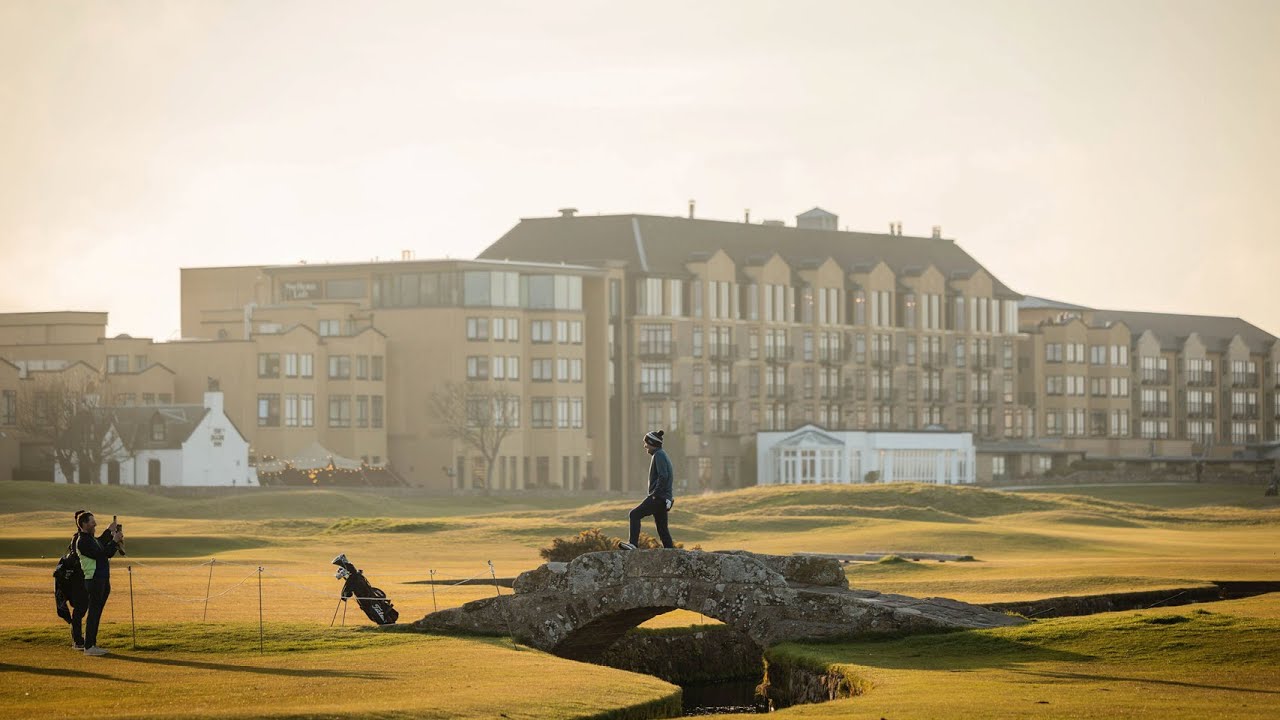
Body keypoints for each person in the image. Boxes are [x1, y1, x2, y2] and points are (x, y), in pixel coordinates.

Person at [74, 510, 122, 656]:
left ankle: (92, 644)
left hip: (101, 579)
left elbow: (101, 543)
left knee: (96, 612)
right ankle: (89, 646)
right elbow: (102, 553)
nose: (95, 523)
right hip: (94, 580)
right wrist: (114, 541)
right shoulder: (82, 541)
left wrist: (109, 531)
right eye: (92, 521)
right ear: (84, 524)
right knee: (94, 613)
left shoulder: (91, 539)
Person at [619, 430, 675, 550]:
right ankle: (671, 552)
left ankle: (633, 544)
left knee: (634, 514)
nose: (645, 446)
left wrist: (655, 494)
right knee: (662, 529)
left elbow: (663, 476)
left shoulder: (658, 455)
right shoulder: (662, 454)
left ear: (652, 443)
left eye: (646, 443)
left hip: (658, 497)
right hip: (665, 499)